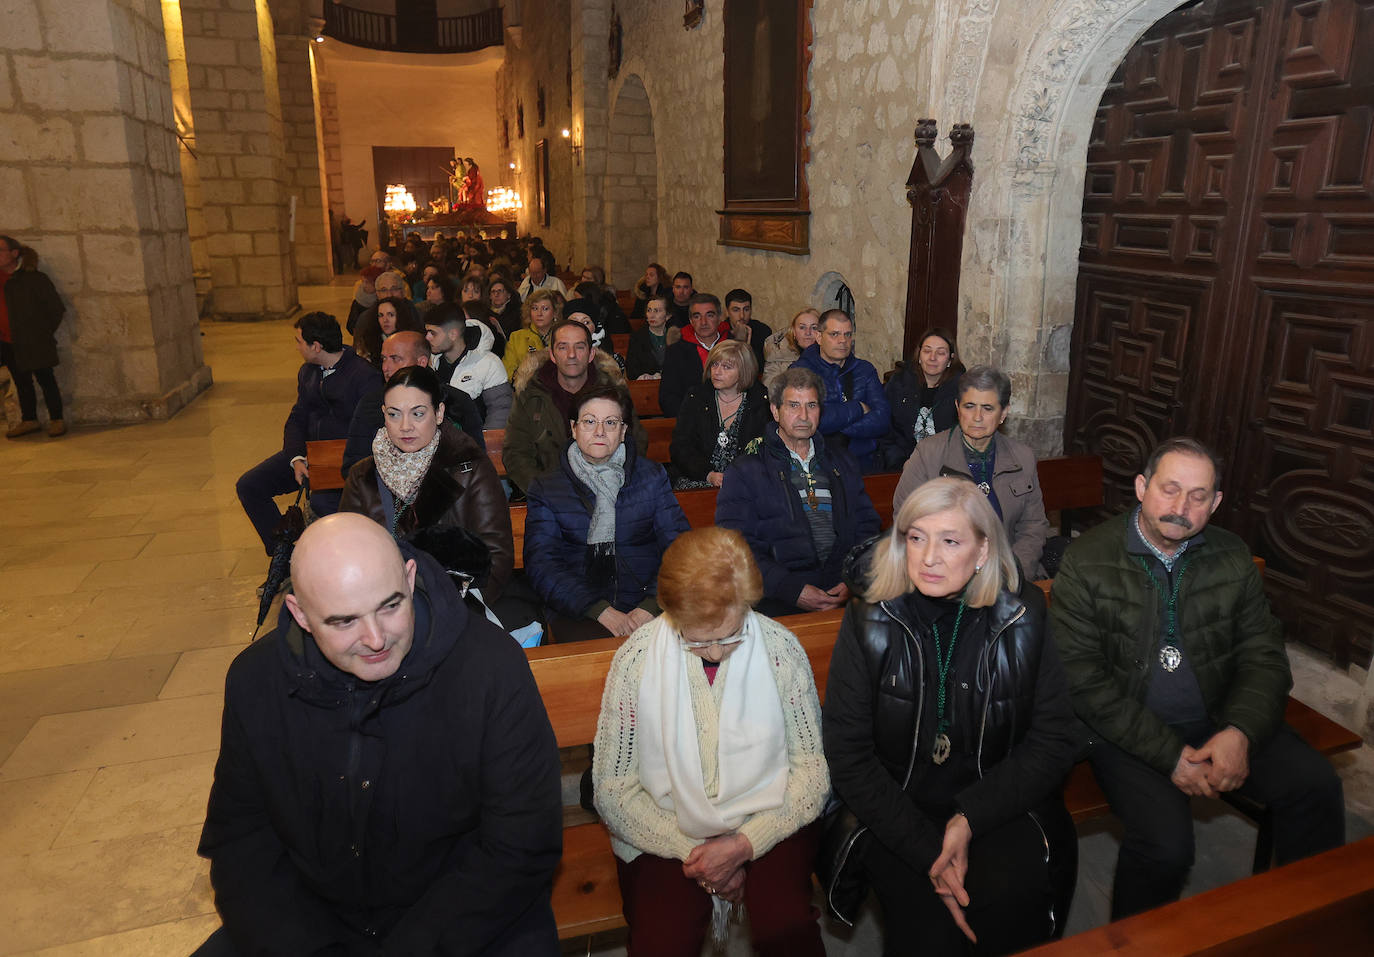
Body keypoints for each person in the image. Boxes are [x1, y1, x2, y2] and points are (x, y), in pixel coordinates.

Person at [194, 513, 562, 957]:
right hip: (309, 925)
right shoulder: (256, 681)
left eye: (390, 606)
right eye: (344, 621)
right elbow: (242, 842)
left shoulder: (491, 667)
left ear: (409, 579)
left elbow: (521, 843)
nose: (375, 639)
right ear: (300, 614)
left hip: (467, 921)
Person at [1049, 437, 1345, 921]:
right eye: (1169, 490)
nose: (1181, 507)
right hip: (1127, 730)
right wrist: (1169, 755)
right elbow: (1082, 682)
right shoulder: (1088, 562)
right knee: (1166, 847)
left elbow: (1264, 657)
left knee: (1315, 787)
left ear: (1216, 503)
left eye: (1198, 496)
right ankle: (1136, 946)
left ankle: (1306, 926)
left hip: (1217, 714)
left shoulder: (1230, 557)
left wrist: (1240, 731)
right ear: (1142, 487)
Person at [822, 477, 1078, 954]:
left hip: (997, 801)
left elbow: (1054, 739)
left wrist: (968, 819)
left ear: (982, 552)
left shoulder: (1024, 617)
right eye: (915, 538)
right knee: (928, 934)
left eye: (950, 541)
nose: (928, 557)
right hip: (896, 807)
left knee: (1006, 911)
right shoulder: (869, 619)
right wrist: (929, 853)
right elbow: (849, 756)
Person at [592, 526, 830, 956]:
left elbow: (812, 773)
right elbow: (613, 791)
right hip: (665, 823)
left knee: (786, 928)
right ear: (672, 614)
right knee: (661, 942)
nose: (717, 653)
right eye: (699, 640)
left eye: (731, 635)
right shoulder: (636, 661)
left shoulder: (780, 651)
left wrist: (745, 843)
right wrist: (702, 855)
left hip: (768, 811)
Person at [524, 384, 689, 643]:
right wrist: (599, 610)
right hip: (579, 609)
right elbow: (542, 564)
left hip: (651, 600)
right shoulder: (548, 488)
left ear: (623, 431)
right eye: (589, 422)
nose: (600, 431)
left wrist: (651, 606)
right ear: (574, 428)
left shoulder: (651, 477)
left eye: (610, 423)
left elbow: (681, 548)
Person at [715, 367, 880, 616]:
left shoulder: (841, 461)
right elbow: (736, 548)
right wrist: (792, 590)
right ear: (775, 411)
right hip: (777, 600)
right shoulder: (746, 470)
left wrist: (853, 579)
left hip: (844, 594)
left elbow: (867, 528)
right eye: (793, 405)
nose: (803, 415)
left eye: (811, 405)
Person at [339, 365, 513, 601]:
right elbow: (348, 553)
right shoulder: (363, 476)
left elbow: (497, 557)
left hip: (455, 604)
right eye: (394, 414)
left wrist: (453, 608)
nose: (405, 426)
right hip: (382, 606)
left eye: (418, 413)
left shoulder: (470, 469)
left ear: (439, 413)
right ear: (383, 413)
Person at [236, 312, 381, 552]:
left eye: (298, 341)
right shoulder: (308, 372)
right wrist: (296, 457)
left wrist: (329, 464)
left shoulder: (365, 377)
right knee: (250, 485)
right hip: (307, 455)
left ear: (316, 346)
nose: (296, 347)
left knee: (321, 503)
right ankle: (285, 557)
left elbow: (366, 433)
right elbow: (297, 418)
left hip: (343, 461)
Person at [893, 366, 1051, 578]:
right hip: (943, 573)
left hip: (1008, 572)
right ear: (958, 408)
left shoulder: (1022, 458)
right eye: (969, 406)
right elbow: (906, 520)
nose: (977, 417)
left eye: (987, 408)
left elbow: (1033, 526)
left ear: (1003, 412)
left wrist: (1011, 572)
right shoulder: (928, 454)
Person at [505, 319, 647, 495]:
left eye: (579, 347)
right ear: (552, 354)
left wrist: (614, 484)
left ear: (591, 354)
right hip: (551, 492)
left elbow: (635, 441)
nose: (571, 355)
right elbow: (516, 452)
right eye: (563, 347)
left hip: (609, 489)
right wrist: (545, 491)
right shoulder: (531, 393)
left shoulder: (613, 391)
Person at [341, 330, 483, 475]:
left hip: (449, 489)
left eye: (395, 359)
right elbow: (353, 466)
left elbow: (477, 463)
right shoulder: (371, 402)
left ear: (421, 362)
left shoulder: (457, 400)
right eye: (384, 359)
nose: (385, 367)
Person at [791, 308, 890, 473]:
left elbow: (883, 419)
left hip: (863, 461)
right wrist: (859, 408)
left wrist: (837, 428)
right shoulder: (801, 371)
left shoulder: (865, 370)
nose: (843, 341)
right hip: (817, 464)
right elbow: (810, 419)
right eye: (834, 334)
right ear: (819, 337)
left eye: (848, 334)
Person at [669, 340, 770, 489]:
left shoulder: (760, 401)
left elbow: (765, 450)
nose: (717, 371)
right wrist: (708, 474)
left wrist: (741, 476)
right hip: (698, 478)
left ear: (744, 371)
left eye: (726, 367)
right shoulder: (696, 397)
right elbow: (681, 446)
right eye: (714, 364)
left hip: (745, 481)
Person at [0, 237, 66, 438]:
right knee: (21, 382)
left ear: (14, 253)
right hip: (7, 341)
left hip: (34, 340)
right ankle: (29, 420)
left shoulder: (34, 279)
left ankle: (57, 419)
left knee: (46, 379)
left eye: (0, 250)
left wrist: (41, 333)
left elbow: (56, 309)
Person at [879, 327, 964, 470]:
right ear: (919, 356)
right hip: (900, 465)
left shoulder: (962, 389)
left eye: (941, 353)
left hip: (945, 467)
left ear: (950, 359)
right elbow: (884, 429)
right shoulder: (899, 383)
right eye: (927, 351)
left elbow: (964, 438)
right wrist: (899, 461)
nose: (932, 357)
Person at [423, 303, 512, 429]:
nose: (427, 337)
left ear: (453, 334)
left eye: (433, 333)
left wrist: (483, 445)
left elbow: (500, 411)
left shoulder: (489, 363)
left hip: (476, 443)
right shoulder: (429, 363)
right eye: (426, 332)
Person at [659, 293, 725, 417]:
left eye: (709, 315)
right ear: (690, 320)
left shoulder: (734, 348)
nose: (703, 322)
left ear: (719, 318)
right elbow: (668, 397)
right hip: (691, 422)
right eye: (697, 316)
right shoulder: (676, 352)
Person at [352, 293, 424, 368]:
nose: (385, 320)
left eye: (390, 315)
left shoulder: (411, 341)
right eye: (381, 315)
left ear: (400, 316)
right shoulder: (368, 341)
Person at [504, 288, 562, 379]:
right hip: (525, 389)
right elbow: (508, 371)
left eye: (545, 309)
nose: (539, 313)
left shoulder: (562, 336)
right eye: (535, 308)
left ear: (555, 313)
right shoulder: (516, 337)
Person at [762, 307, 820, 390]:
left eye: (814, 328)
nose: (808, 333)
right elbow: (772, 391)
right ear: (794, 331)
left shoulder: (828, 355)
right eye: (802, 327)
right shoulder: (776, 355)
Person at [722, 288, 772, 372]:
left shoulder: (763, 330)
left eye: (746, 309)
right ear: (727, 312)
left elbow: (763, 367)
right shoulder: (719, 332)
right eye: (736, 310)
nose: (742, 316)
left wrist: (746, 346)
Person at [627, 292, 671, 380]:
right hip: (646, 387)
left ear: (668, 316)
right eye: (649, 310)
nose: (652, 315)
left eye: (657, 311)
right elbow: (631, 370)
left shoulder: (676, 337)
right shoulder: (637, 338)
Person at [488, 273, 523, 338]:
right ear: (490, 296)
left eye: (500, 291)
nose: (496, 294)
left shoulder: (518, 312)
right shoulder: (486, 312)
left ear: (508, 295)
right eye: (493, 291)